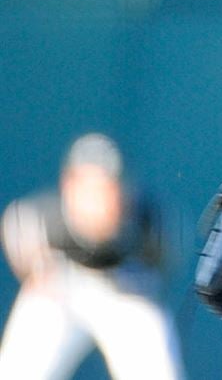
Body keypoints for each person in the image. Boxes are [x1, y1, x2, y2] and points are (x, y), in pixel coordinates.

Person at [0, 133, 185, 379]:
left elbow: (162, 260)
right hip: (61, 288)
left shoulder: (149, 222)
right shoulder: (46, 217)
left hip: (124, 290)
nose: (96, 198)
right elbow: (15, 226)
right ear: (69, 185)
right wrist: (35, 273)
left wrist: (141, 284)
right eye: (87, 185)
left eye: (106, 187)